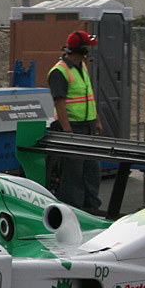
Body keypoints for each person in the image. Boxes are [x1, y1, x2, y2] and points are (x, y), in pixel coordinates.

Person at [47, 30, 102, 213]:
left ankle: (92, 210)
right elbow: (59, 103)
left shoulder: (82, 67)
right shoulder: (59, 71)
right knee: (73, 176)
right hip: (74, 129)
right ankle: (74, 212)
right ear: (82, 49)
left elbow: (89, 97)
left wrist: (97, 121)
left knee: (91, 171)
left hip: (88, 126)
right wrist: (68, 131)